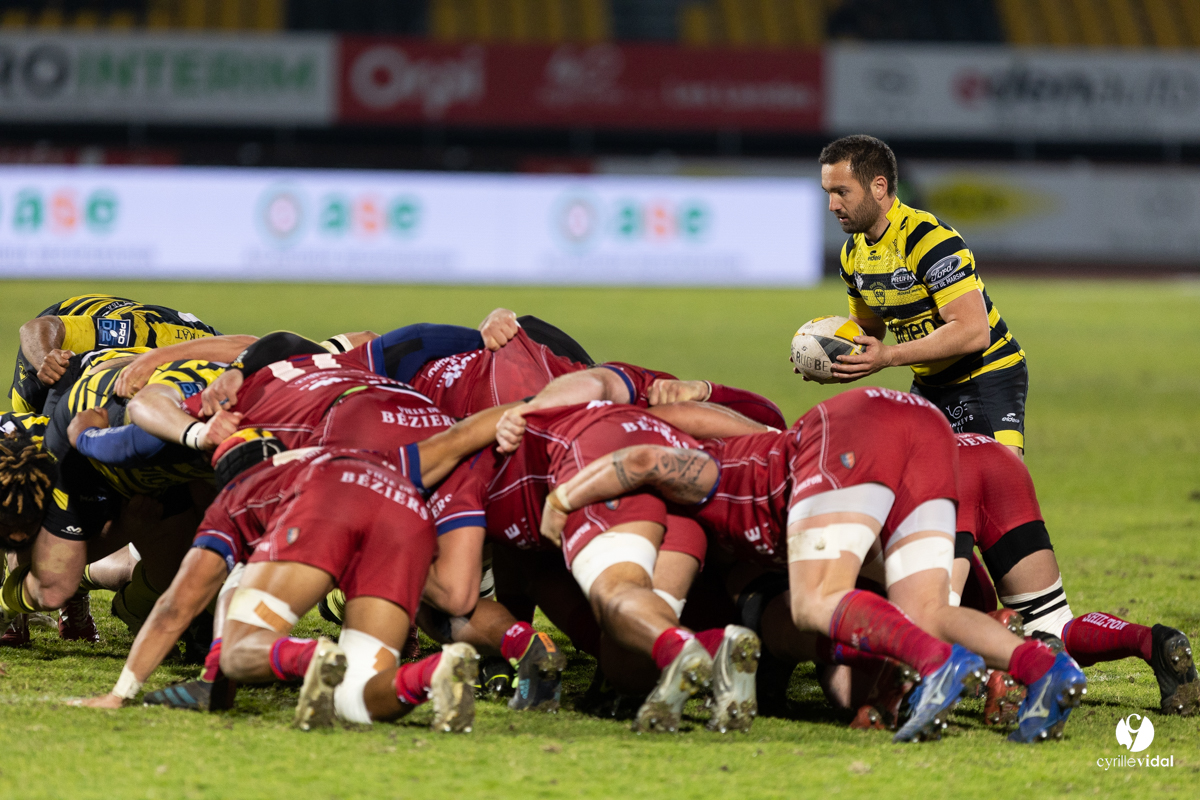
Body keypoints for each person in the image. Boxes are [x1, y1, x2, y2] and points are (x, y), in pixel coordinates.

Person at [540, 388, 1088, 743]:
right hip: (924, 427)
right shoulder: (751, 493)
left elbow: (643, 458)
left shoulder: (710, 472)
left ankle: (938, 661)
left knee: (813, 602)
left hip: (850, 429)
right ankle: (1045, 670)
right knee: (926, 610)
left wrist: (563, 498)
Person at [76, 444, 477, 732]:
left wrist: (120, 692)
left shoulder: (235, 496)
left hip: (324, 509)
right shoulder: (319, 448)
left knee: (235, 650)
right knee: (356, 700)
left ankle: (311, 656)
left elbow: (177, 606)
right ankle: (433, 672)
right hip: (405, 509)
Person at [950, 432, 1198, 720]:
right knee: (1051, 622)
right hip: (1000, 463)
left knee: (928, 618)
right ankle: (1149, 641)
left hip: (945, 470)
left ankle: (1002, 663)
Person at [818, 135, 1028, 457]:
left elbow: (974, 331)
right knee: (921, 483)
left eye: (841, 192)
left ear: (878, 187)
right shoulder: (852, 254)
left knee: (999, 478)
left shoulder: (928, 240)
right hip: (930, 385)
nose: (832, 205)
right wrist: (828, 354)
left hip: (987, 375)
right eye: (828, 193)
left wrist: (888, 356)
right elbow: (868, 330)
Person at [10, 295, 221, 414]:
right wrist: (46, 360)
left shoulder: (225, 361)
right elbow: (33, 329)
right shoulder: (139, 333)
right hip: (54, 334)